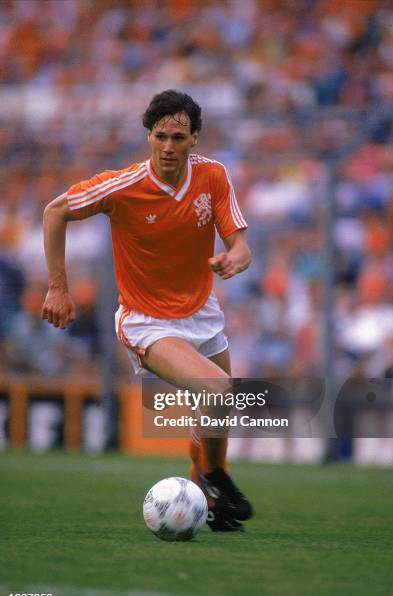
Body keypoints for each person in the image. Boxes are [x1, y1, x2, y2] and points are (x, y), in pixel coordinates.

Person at [41, 90, 253, 532]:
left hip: (202, 311)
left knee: (219, 405)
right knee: (217, 389)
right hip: (147, 320)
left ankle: (209, 495)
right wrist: (58, 288)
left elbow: (241, 244)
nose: (169, 147)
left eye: (179, 137)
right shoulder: (123, 185)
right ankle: (215, 479)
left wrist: (236, 257)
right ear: (149, 137)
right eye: (160, 137)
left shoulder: (213, 175)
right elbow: (54, 211)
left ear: (195, 138)